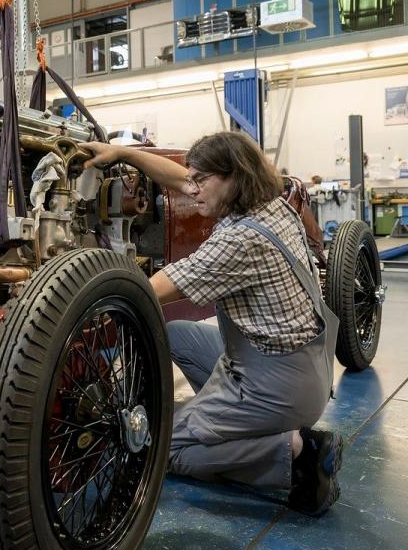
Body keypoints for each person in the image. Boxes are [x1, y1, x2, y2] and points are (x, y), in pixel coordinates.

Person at [82, 131, 343, 516]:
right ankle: (243, 425)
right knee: (177, 335)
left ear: (233, 177)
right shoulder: (273, 199)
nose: (193, 188)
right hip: (303, 364)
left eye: (202, 180)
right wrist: (123, 152)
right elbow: (180, 180)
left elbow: (151, 289)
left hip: (279, 387)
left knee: (160, 447)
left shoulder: (238, 242)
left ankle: (295, 451)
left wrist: (69, 295)